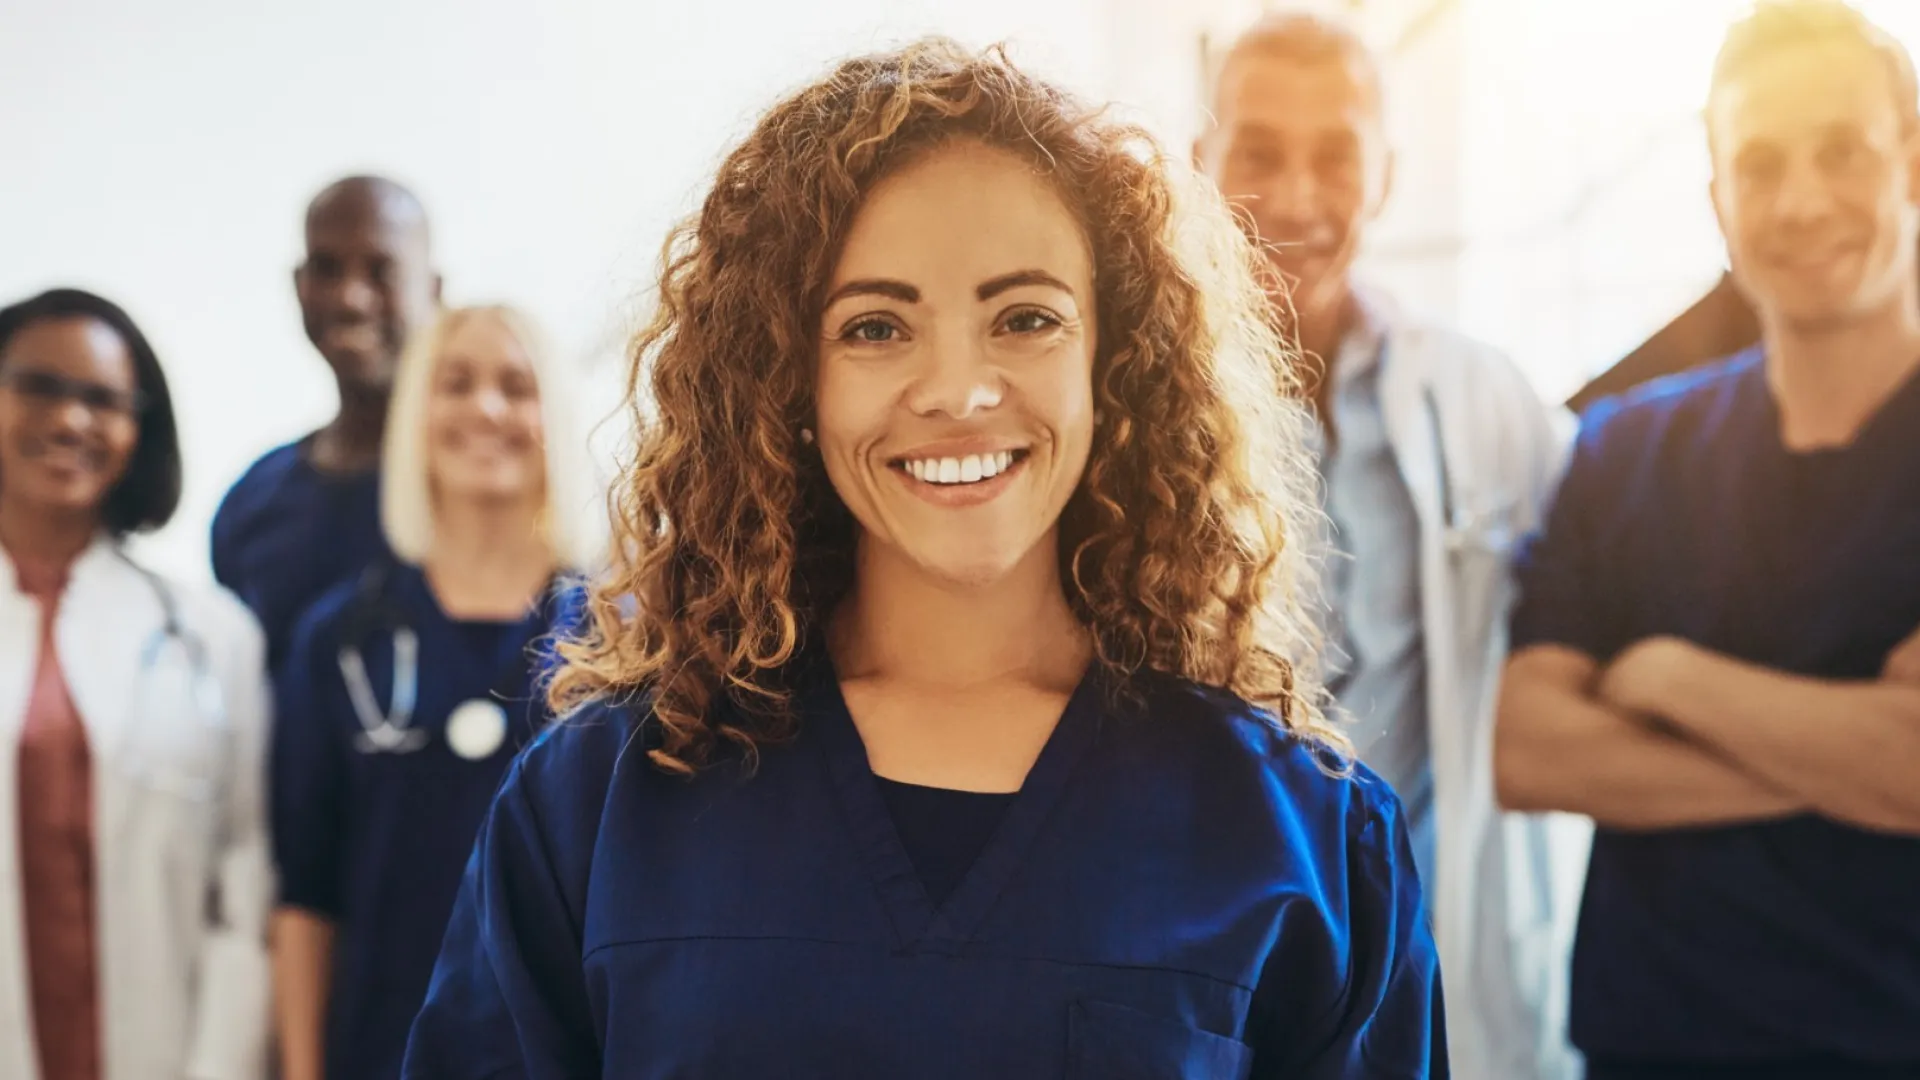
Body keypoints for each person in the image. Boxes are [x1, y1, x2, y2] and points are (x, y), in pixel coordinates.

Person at [403, 39, 1444, 1080]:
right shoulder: (598, 814)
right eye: (874, 328)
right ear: (786, 382)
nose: (958, 388)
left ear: (1114, 361)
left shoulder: (1302, 843)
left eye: (1025, 318)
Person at [1496, 3, 1920, 1076]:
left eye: (1843, 153)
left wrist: (1669, 675)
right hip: (1651, 1049)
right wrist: (1857, 750)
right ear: (1719, 204)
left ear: (1910, 162)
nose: (1804, 200)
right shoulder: (1628, 446)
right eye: (1761, 164)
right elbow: (1529, 748)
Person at [1193, 14, 1585, 1078]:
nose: (1298, 195)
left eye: (1337, 156)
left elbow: (1628, 565)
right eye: (1259, 152)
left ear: (1386, 177)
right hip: (1211, 955)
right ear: (1201, 160)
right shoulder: (1120, 411)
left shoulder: (1480, 400)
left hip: (1428, 972)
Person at [269, 304, 597, 1080]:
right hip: (381, 1051)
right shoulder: (341, 642)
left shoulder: (623, 643)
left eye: (516, 387)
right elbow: (306, 899)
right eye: (456, 384)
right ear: (417, 415)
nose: (487, 408)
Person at [0, 288, 272, 1080]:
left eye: (104, 399)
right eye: (40, 385)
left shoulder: (212, 636)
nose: (72, 420)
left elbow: (243, 881)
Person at [212, 175, 443, 668]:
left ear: (434, 290)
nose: (350, 299)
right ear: (299, 286)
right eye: (326, 269)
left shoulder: (484, 489)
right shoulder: (251, 504)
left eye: (381, 271)